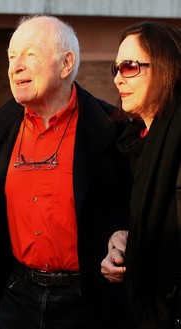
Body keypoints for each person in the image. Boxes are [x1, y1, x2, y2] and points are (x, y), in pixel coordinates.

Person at [0, 14, 132, 329]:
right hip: (16, 295)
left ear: (65, 63)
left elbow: (126, 203)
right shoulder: (2, 123)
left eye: (30, 54)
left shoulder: (111, 126)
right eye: (11, 56)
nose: (15, 66)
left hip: (84, 299)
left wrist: (120, 236)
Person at [101, 21, 181, 329]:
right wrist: (117, 239)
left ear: (166, 68)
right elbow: (125, 207)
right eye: (116, 69)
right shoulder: (133, 141)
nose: (119, 79)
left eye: (130, 67)